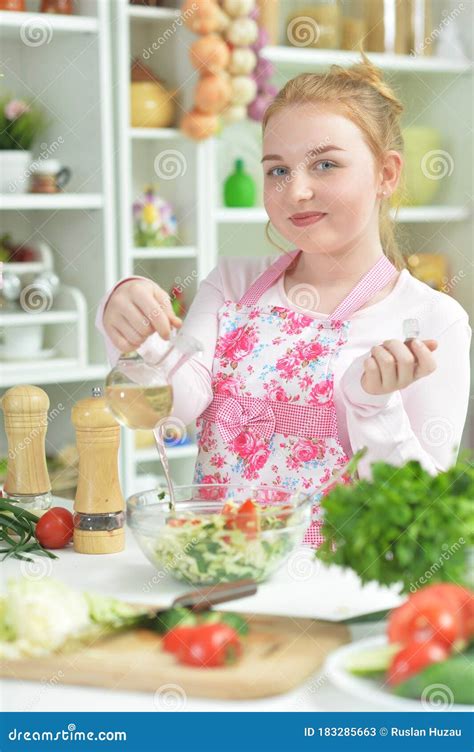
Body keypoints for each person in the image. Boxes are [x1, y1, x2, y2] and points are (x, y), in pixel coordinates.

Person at [97, 52, 471, 547]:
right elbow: (178, 405)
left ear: (386, 174)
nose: (296, 191)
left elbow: (423, 509)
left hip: (337, 592)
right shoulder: (233, 282)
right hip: (222, 568)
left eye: (325, 164)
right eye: (277, 171)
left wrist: (373, 406)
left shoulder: (431, 320)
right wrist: (133, 323)